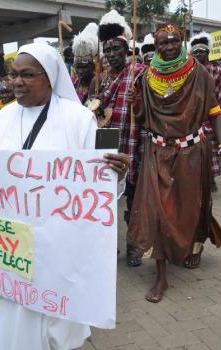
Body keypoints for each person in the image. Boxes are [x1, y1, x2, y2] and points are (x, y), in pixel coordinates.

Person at [0, 42, 129, 350]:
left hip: (61, 242)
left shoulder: (78, 119)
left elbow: (99, 186)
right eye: (13, 75)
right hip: (14, 242)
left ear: (49, 77)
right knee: (18, 317)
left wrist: (117, 174)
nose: (17, 82)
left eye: (27, 75)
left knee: (59, 323)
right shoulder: (2, 118)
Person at [129, 24, 221, 303]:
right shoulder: (146, 76)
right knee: (158, 210)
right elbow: (140, 118)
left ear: (182, 42)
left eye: (174, 42)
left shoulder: (199, 73)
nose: (169, 47)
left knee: (192, 206)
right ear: (157, 45)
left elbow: (215, 113)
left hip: (191, 152)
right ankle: (161, 275)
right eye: (163, 43)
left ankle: (195, 246)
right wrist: (135, 101)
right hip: (157, 152)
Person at [96, 9, 148, 267]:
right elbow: (96, 109)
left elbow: (153, 105)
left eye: (117, 49)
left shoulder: (139, 72)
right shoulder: (103, 78)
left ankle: (134, 246)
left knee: (133, 196)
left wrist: (138, 101)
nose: (112, 54)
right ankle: (108, 246)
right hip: (108, 142)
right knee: (107, 196)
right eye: (108, 50)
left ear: (126, 50)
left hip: (133, 141)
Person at [190, 33, 221, 200]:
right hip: (193, 120)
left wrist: (218, 119)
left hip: (213, 116)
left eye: (201, 51)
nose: (198, 55)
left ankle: (210, 180)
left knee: (211, 151)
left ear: (208, 53)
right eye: (195, 52)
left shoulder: (218, 71)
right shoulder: (188, 71)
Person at [72, 23, 99, 104]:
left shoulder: (100, 85)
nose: (80, 71)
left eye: (84, 67)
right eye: (78, 67)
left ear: (93, 67)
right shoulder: (73, 83)